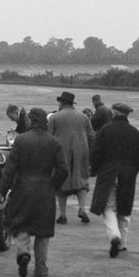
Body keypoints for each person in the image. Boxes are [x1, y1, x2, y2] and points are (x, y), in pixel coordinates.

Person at [0, 107, 69, 277]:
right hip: (45, 190)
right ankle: (41, 270)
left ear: (30, 120)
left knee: (21, 225)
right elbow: (63, 170)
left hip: (22, 188)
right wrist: (52, 185)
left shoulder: (21, 140)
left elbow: (10, 169)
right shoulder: (54, 142)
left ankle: (23, 253)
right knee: (43, 232)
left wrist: (2, 191)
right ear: (45, 121)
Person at [88, 103, 139, 258]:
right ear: (127, 115)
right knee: (125, 209)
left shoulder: (105, 130)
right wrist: (133, 171)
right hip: (128, 176)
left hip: (108, 174)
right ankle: (122, 243)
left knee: (108, 208)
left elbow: (95, 153)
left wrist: (95, 169)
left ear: (114, 113)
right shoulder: (135, 132)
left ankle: (114, 236)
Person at [48, 91, 95, 224]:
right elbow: (92, 136)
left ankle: (62, 215)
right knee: (82, 181)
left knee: (61, 183)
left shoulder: (54, 118)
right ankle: (82, 209)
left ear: (61, 103)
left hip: (61, 154)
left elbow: (49, 137)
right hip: (82, 154)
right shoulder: (83, 117)